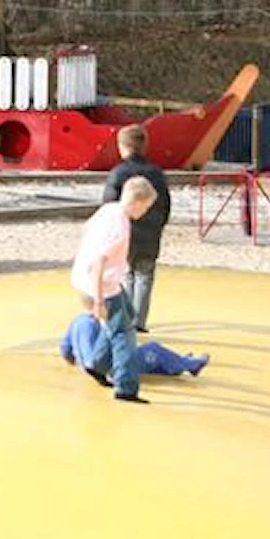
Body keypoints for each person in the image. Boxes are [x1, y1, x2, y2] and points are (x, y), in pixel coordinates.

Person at [70, 174, 159, 402]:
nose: (145, 212)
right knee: (123, 334)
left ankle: (98, 364)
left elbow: (87, 229)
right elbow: (99, 263)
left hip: (91, 279)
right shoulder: (119, 228)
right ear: (137, 202)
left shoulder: (109, 209)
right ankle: (126, 386)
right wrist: (99, 300)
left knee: (127, 314)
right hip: (102, 285)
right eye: (146, 207)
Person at [101, 123, 171, 333]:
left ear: (122, 147)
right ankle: (139, 321)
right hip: (150, 232)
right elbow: (166, 204)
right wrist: (159, 225)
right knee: (144, 276)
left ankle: (126, 316)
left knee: (125, 274)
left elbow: (109, 205)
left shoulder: (118, 173)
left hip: (124, 231)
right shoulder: (156, 173)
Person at [59, 312, 207, 380]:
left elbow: (65, 350)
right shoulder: (95, 325)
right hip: (115, 367)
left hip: (97, 366)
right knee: (154, 349)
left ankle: (180, 363)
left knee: (150, 358)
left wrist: (78, 364)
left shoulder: (78, 320)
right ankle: (190, 365)